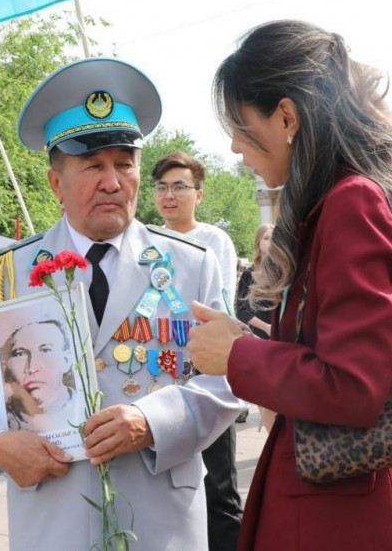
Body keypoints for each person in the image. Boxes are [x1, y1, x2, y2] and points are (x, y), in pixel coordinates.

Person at [0, 57, 242, 551]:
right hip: (54, 517)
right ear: (56, 183)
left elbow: (228, 376)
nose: (113, 182)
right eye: (93, 166)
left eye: (125, 164)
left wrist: (153, 421)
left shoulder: (190, 264)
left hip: (161, 520)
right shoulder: (9, 272)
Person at [187, 20, 392, 550]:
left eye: (241, 125)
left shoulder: (351, 201)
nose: (235, 146)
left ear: (286, 117)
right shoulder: (338, 199)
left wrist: (238, 354)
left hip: (347, 514)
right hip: (340, 493)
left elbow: (353, 386)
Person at [151, 149, 243, 551]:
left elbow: (216, 308)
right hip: (159, 371)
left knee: (218, 486)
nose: (169, 196)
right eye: (162, 187)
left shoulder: (213, 240)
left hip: (206, 370)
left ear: (198, 194)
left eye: (179, 187)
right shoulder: (147, 242)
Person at [1, 318, 80, 433]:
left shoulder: (84, 406)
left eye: (45, 350)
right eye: (20, 354)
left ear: (66, 361)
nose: (31, 368)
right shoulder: (1, 418)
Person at [236, 224, 274, 340]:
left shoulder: (285, 272)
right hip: (260, 337)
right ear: (258, 243)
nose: (271, 242)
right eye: (266, 238)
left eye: (274, 238)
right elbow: (242, 311)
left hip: (283, 336)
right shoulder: (250, 274)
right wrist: (267, 328)